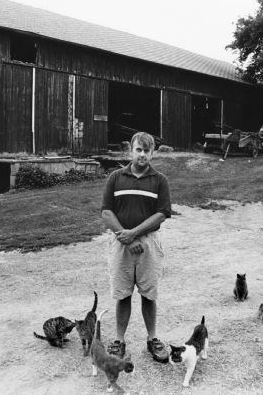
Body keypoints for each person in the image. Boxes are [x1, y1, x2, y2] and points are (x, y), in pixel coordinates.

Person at [101, 131, 172, 363]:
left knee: (149, 294)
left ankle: (152, 339)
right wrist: (128, 238)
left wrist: (136, 234)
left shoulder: (160, 180)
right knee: (122, 294)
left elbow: (162, 214)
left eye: (146, 151)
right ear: (130, 151)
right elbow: (106, 212)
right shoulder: (115, 177)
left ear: (152, 153)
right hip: (121, 243)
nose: (142, 155)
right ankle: (119, 341)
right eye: (138, 150)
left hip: (148, 244)